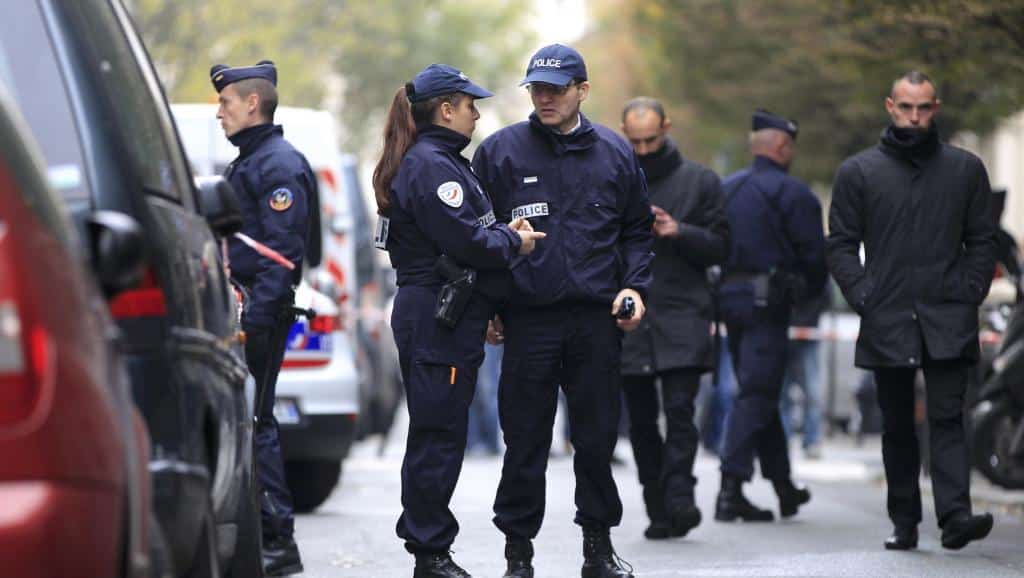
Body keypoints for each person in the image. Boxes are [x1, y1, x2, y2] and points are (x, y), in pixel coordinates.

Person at [473, 43, 653, 578]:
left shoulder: (615, 154)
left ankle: (597, 549)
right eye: (537, 89)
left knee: (595, 441)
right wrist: (489, 305)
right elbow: (477, 238)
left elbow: (637, 232)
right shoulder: (501, 153)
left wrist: (635, 288)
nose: (545, 98)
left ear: (582, 91)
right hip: (528, 322)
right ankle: (518, 556)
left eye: (556, 88)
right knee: (524, 442)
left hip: (596, 322)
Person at [372, 63, 545, 578]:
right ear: (446, 109)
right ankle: (430, 553)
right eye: (471, 105)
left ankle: (431, 549)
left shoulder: (442, 161)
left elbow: (466, 233)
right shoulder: (432, 165)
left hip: (448, 312)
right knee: (437, 435)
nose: (475, 115)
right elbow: (468, 242)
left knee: (441, 431)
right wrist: (517, 240)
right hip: (437, 316)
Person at [827, 71, 996, 551]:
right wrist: (865, 296)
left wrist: (970, 291)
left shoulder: (965, 170)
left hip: (948, 312)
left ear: (935, 108)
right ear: (890, 106)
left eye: (923, 108)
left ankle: (955, 517)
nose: (915, 117)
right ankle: (904, 520)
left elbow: (982, 240)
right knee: (897, 423)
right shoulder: (859, 172)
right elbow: (840, 245)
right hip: (888, 315)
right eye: (906, 107)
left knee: (947, 417)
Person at [212, 59, 319, 576]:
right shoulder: (250, 162)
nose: (219, 113)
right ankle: (266, 538)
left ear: (252, 103)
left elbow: (281, 258)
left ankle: (279, 543)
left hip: (258, 313)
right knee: (251, 423)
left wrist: (252, 323)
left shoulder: (277, 165)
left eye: (226, 103)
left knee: (256, 425)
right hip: (244, 307)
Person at [617, 97, 729, 540]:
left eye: (651, 139)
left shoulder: (701, 182)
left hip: (683, 311)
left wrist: (677, 231)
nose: (644, 150)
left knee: (681, 411)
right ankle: (657, 505)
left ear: (667, 127)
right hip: (632, 315)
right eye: (635, 141)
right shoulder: (615, 179)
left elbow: (723, 245)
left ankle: (680, 494)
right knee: (641, 421)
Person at [715, 109, 826, 524]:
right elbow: (815, 259)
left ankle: (783, 487)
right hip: (768, 307)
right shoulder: (793, 194)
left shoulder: (727, 189)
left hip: (730, 303)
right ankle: (730, 488)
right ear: (781, 147)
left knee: (758, 391)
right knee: (758, 395)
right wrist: (810, 297)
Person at [780, 286, 829, 459]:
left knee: (812, 392)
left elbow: (824, 294)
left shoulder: (812, 261)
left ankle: (812, 440)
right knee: (782, 393)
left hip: (807, 331)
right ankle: (783, 439)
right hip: (784, 332)